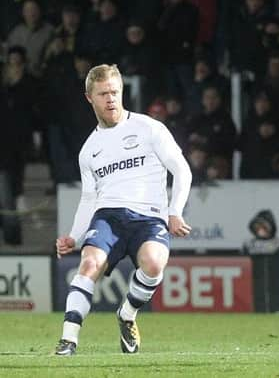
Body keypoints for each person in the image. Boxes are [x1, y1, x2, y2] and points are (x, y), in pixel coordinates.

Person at [54, 64, 193, 356]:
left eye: (115, 92)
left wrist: (175, 211)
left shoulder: (149, 128)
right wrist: (74, 236)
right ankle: (68, 341)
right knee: (89, 264)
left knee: (155, 263)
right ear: (89, 97)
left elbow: (182, 170)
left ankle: (127, 313)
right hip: (109, 217)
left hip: (149, 217)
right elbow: (89, 198)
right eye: (103, 93)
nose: (111, 99)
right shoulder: (88, 150)